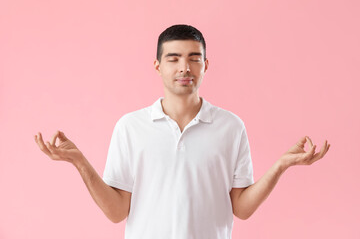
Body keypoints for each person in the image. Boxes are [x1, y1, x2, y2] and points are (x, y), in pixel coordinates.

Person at [34, 24, 330, 239]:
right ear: (158, 66)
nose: (184, 67)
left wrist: (280, 166)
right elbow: (116, 212)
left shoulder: (230, 126)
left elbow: (241, 207)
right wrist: (80, 162)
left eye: (193, 58)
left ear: (205, 65)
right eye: (173, 58)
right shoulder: (130, 127)